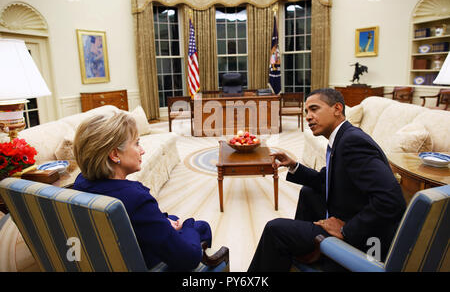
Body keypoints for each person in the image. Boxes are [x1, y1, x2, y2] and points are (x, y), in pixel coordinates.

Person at [248, 88, 406, 271]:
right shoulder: (342, 138)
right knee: (308, 192)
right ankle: (306, 250)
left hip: (366, 240)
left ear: (337, 109)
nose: (308, 117)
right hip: (350, 211)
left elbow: (392, 199)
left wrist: (346, 230)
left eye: (314, 109)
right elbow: (325, 180)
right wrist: (293, 166)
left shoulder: (351, 143)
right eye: (307, 111)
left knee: (274, 229)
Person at [72, 112, 212, 271]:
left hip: (108, 253)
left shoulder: (80, 182)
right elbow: (188, 259)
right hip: (141, 261)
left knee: (171, 219)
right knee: (200, 227)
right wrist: (188, 225)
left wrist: (163, 221)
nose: (142, 150)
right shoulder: (137, 200)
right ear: (114, 154)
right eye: (137, 143)